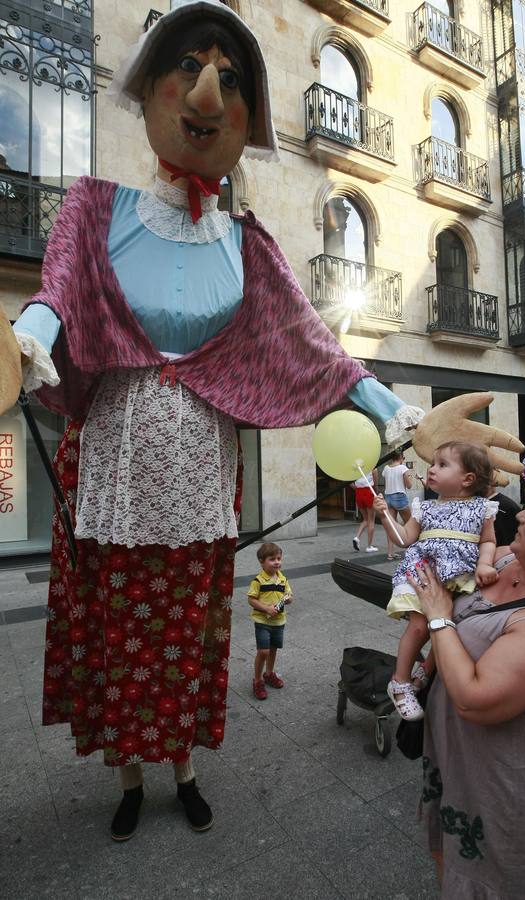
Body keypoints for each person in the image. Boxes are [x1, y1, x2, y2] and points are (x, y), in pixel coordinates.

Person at [8, 0, 426, 842]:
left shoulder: (248, 244)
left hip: (201, 469)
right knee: (124, 635)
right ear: (157, 84)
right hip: (117, 468)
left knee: (191, 630)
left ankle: (185, 767)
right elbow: (57, 298)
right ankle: (129, 777)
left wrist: (398, 410)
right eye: (191, 67)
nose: (207, 93)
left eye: (231, 79)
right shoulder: (93, 210)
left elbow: (314, 348)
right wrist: (26, 342)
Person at [412, 485, 525, 898]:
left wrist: (440, 619)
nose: (519, 515)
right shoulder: (506, 559)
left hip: (510, 779)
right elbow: (438, 554)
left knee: (507, 880)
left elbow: (475, 699)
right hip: (457, 756)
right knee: (449, 856)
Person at [375, 441, 498, 721]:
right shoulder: (424, 508)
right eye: (433, 463)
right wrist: (384, 515)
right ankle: (400, 682)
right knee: (420, 626)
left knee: (448, 628)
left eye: (442, 465)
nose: (431, 470)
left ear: (467, 479)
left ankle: (425, 672)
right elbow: (404, 538)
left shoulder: (483, 508)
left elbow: (488, 541)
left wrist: (484, 563)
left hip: (457, 577)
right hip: (422, 574)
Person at [247, 542, 292, 700]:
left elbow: (289, 595)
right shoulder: (258, 581)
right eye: (272, 559)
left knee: (273, 649)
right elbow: (251, 599)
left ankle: (269, 674)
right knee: (263, 651)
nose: (277, 562)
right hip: (262, 621)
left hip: (279, 622)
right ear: (262, 561)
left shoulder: (282, 579)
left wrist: (287, 599)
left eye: (279, 558)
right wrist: (266, 608)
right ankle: (257, 680)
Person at [381, 450, 412, 560]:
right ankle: (412, 551)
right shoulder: (403, 468)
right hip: (399, 497)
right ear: (401, 457)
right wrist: (409, 477)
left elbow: (386, 484)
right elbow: (409, 486)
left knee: (391, 526)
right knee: (410, 523)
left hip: (388, 497)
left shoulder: (386, 468)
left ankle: (390, 553)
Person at [352, 468, 379, 553]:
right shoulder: (373, 467)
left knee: (366, 519)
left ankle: (357, 537)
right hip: (369, 491)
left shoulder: (356, 466)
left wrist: (357, 488)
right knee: (371, 520)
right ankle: (369, 546)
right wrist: (376, 494)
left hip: (358, 492)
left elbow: (349, 482)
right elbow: (376, 484)